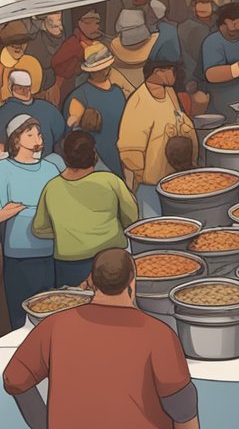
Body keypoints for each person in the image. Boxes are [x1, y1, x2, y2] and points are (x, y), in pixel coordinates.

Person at [2, 248, 199, 429]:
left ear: (91, 281)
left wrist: (42, 423)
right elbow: (183, 410)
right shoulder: (158, 335)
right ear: (132, 282)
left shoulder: (55, 326)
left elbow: (15, 378)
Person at [31, 131, 138, 289]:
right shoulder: (110, 181)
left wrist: (66, 233)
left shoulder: (51, 187)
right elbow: (132, 218)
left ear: (65, 156)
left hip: (69, 264)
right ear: (94, 154)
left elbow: (39, 228)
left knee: (73, 308)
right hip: (111, 259)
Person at [0, 115, 62, 329]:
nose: (37, 138)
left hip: (49, 251)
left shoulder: (51, 169)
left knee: (49, 311)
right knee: (21, 316)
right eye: (30, 134)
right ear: (16, 140)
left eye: (38, 133)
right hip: (18, 254)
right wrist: (11, 211)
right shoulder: (3, 169)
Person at [116, 61, 196, 219]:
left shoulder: (170, 92)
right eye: (171, 70)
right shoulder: (138, 102)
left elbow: (180, 118)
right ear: (158, 71)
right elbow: (129, 151)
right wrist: (146, 175)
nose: (175, 74)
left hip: (178, 180)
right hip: (152, 188)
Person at [64, 43, 131, 175]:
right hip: (94, 162)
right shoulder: (79, 96)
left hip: (120, 156)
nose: (105, 71)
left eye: (106, 67)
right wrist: (76, 120)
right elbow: (71, 133)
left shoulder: (118, 92)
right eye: (100, 68)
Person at [0, 70, 66, 163]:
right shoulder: (3, 112)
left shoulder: (47, 108)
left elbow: (60, 134)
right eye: (19, 88)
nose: (24, 91)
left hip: (45, 164)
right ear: (11, 87)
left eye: (27, 87)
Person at [0, 22, 44, 103]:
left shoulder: (32, 63)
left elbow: (34, 93)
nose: (19, 47)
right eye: (13, 43)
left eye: (23, 42)